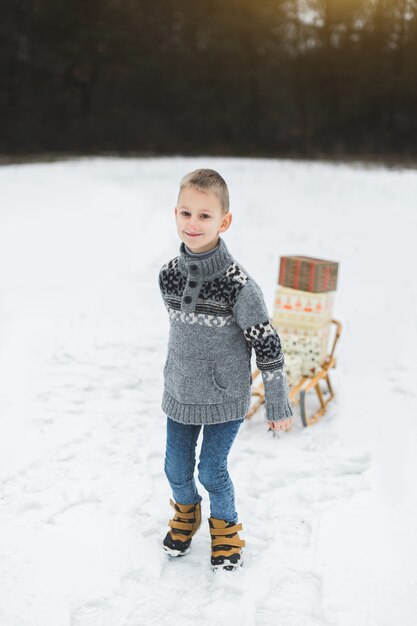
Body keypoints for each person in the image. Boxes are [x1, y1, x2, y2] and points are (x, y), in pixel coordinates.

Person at [158, 168, 293, 572]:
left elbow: (268, 344)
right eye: (186, 213)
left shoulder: (239, 287)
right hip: (180, 392)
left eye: (204, 215)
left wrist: (277, 404)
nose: (193, 223)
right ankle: (187, 513)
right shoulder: (168, 276)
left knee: (211, 470)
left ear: (224, 221)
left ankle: (226, 528)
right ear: (175, 214)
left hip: (224, 396)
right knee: (175, 468)